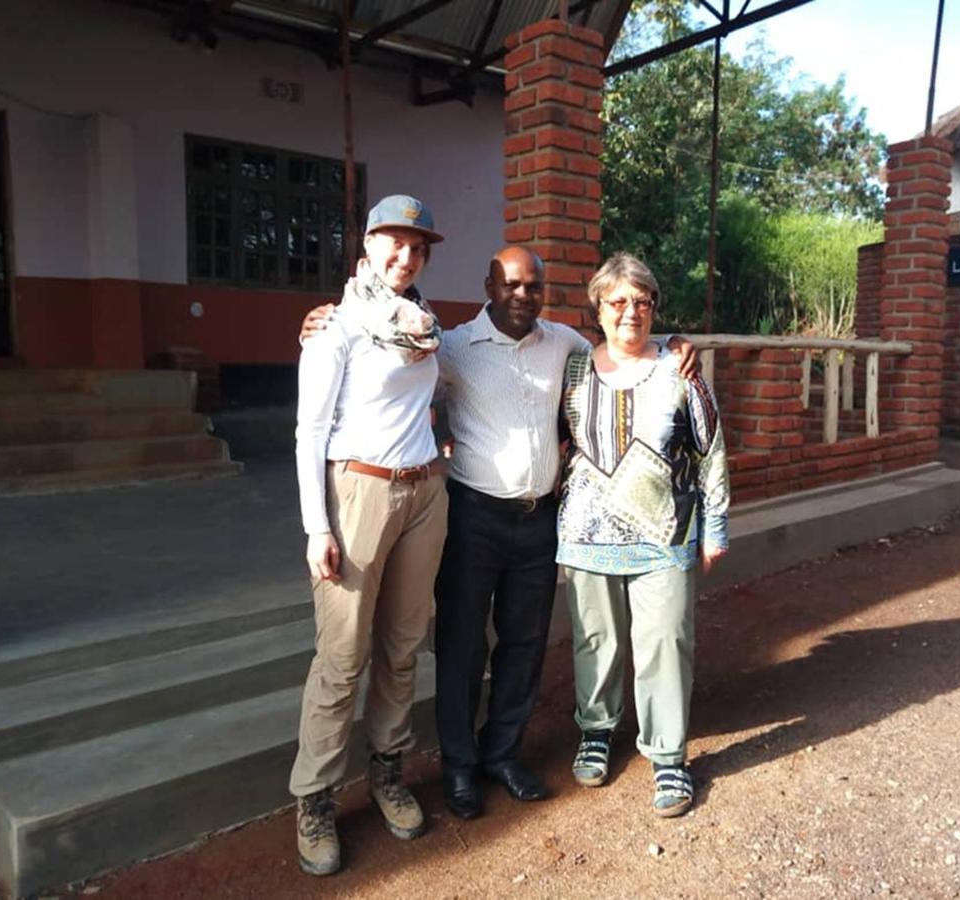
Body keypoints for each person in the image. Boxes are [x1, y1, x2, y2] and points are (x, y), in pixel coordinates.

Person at [300, 247, 698, 822]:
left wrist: (678, 343)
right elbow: (384, 381)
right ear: (489, 285)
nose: (523, 296)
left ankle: (503, 754)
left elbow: (626, 348)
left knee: (524, 642)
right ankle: (459, 765)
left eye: (533, 287)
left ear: (545, 292)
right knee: (462, 645)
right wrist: (318, 324)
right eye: (511, 285)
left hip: (538, 521)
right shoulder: (453, 347)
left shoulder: (565, 345)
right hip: (472, 518)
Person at [290, 194, 449, 877]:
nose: (406, 256)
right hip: (358, 490)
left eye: (418, 247)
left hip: (423, 494)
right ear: (366, 246)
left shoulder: (425, 325)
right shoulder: (337, 326)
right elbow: (309, 434)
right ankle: (315, 797)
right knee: (342, 654)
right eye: (394, 242)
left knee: (404, 644)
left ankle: (387, 769)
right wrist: (315, 526)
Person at [556, 253, 729, 818]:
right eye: (618, 302)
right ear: (598, 308)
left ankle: (668, 756)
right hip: (586, 534)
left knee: (664, 644)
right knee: (595, 642)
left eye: (642, 301)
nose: (631, 312)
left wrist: (715, 527)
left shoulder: (680, 370)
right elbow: (555, 440)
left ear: (655, 308)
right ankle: (597, 730)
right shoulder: (576, 369)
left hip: (664, 532)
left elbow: (710, 453)